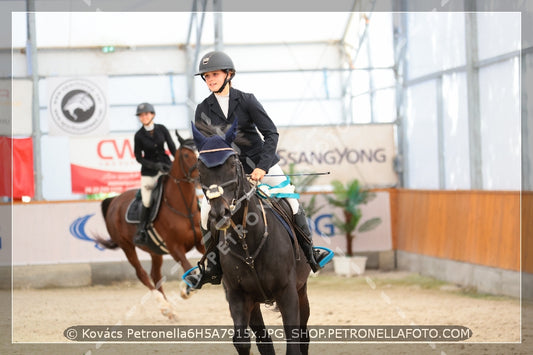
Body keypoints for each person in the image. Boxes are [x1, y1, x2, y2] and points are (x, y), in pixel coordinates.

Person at [185, 51, 331, 289]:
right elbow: (207, 146)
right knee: (205, 212)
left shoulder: (247, 100)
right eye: (206, 76)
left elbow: (271, 133)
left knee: (292, 202)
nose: (210, 79)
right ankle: (210, 266)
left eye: (214, 74)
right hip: (228, 173)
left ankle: (310, 252)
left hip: (261, 162)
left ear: (228, 74)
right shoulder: (203, 108)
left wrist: (262, 166)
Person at [133, 102, 176, 246]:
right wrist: (154, 165)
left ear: (152, 115)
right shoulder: (138, 135)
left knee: (181, 188)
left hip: (167, 167)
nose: (144, 117)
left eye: (146, 114)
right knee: (146, 200)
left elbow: (172, 147)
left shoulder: (162, 129)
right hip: (149, 173)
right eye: (141, 115)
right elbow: (139, 157)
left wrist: (176, 164)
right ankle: (142, 230)